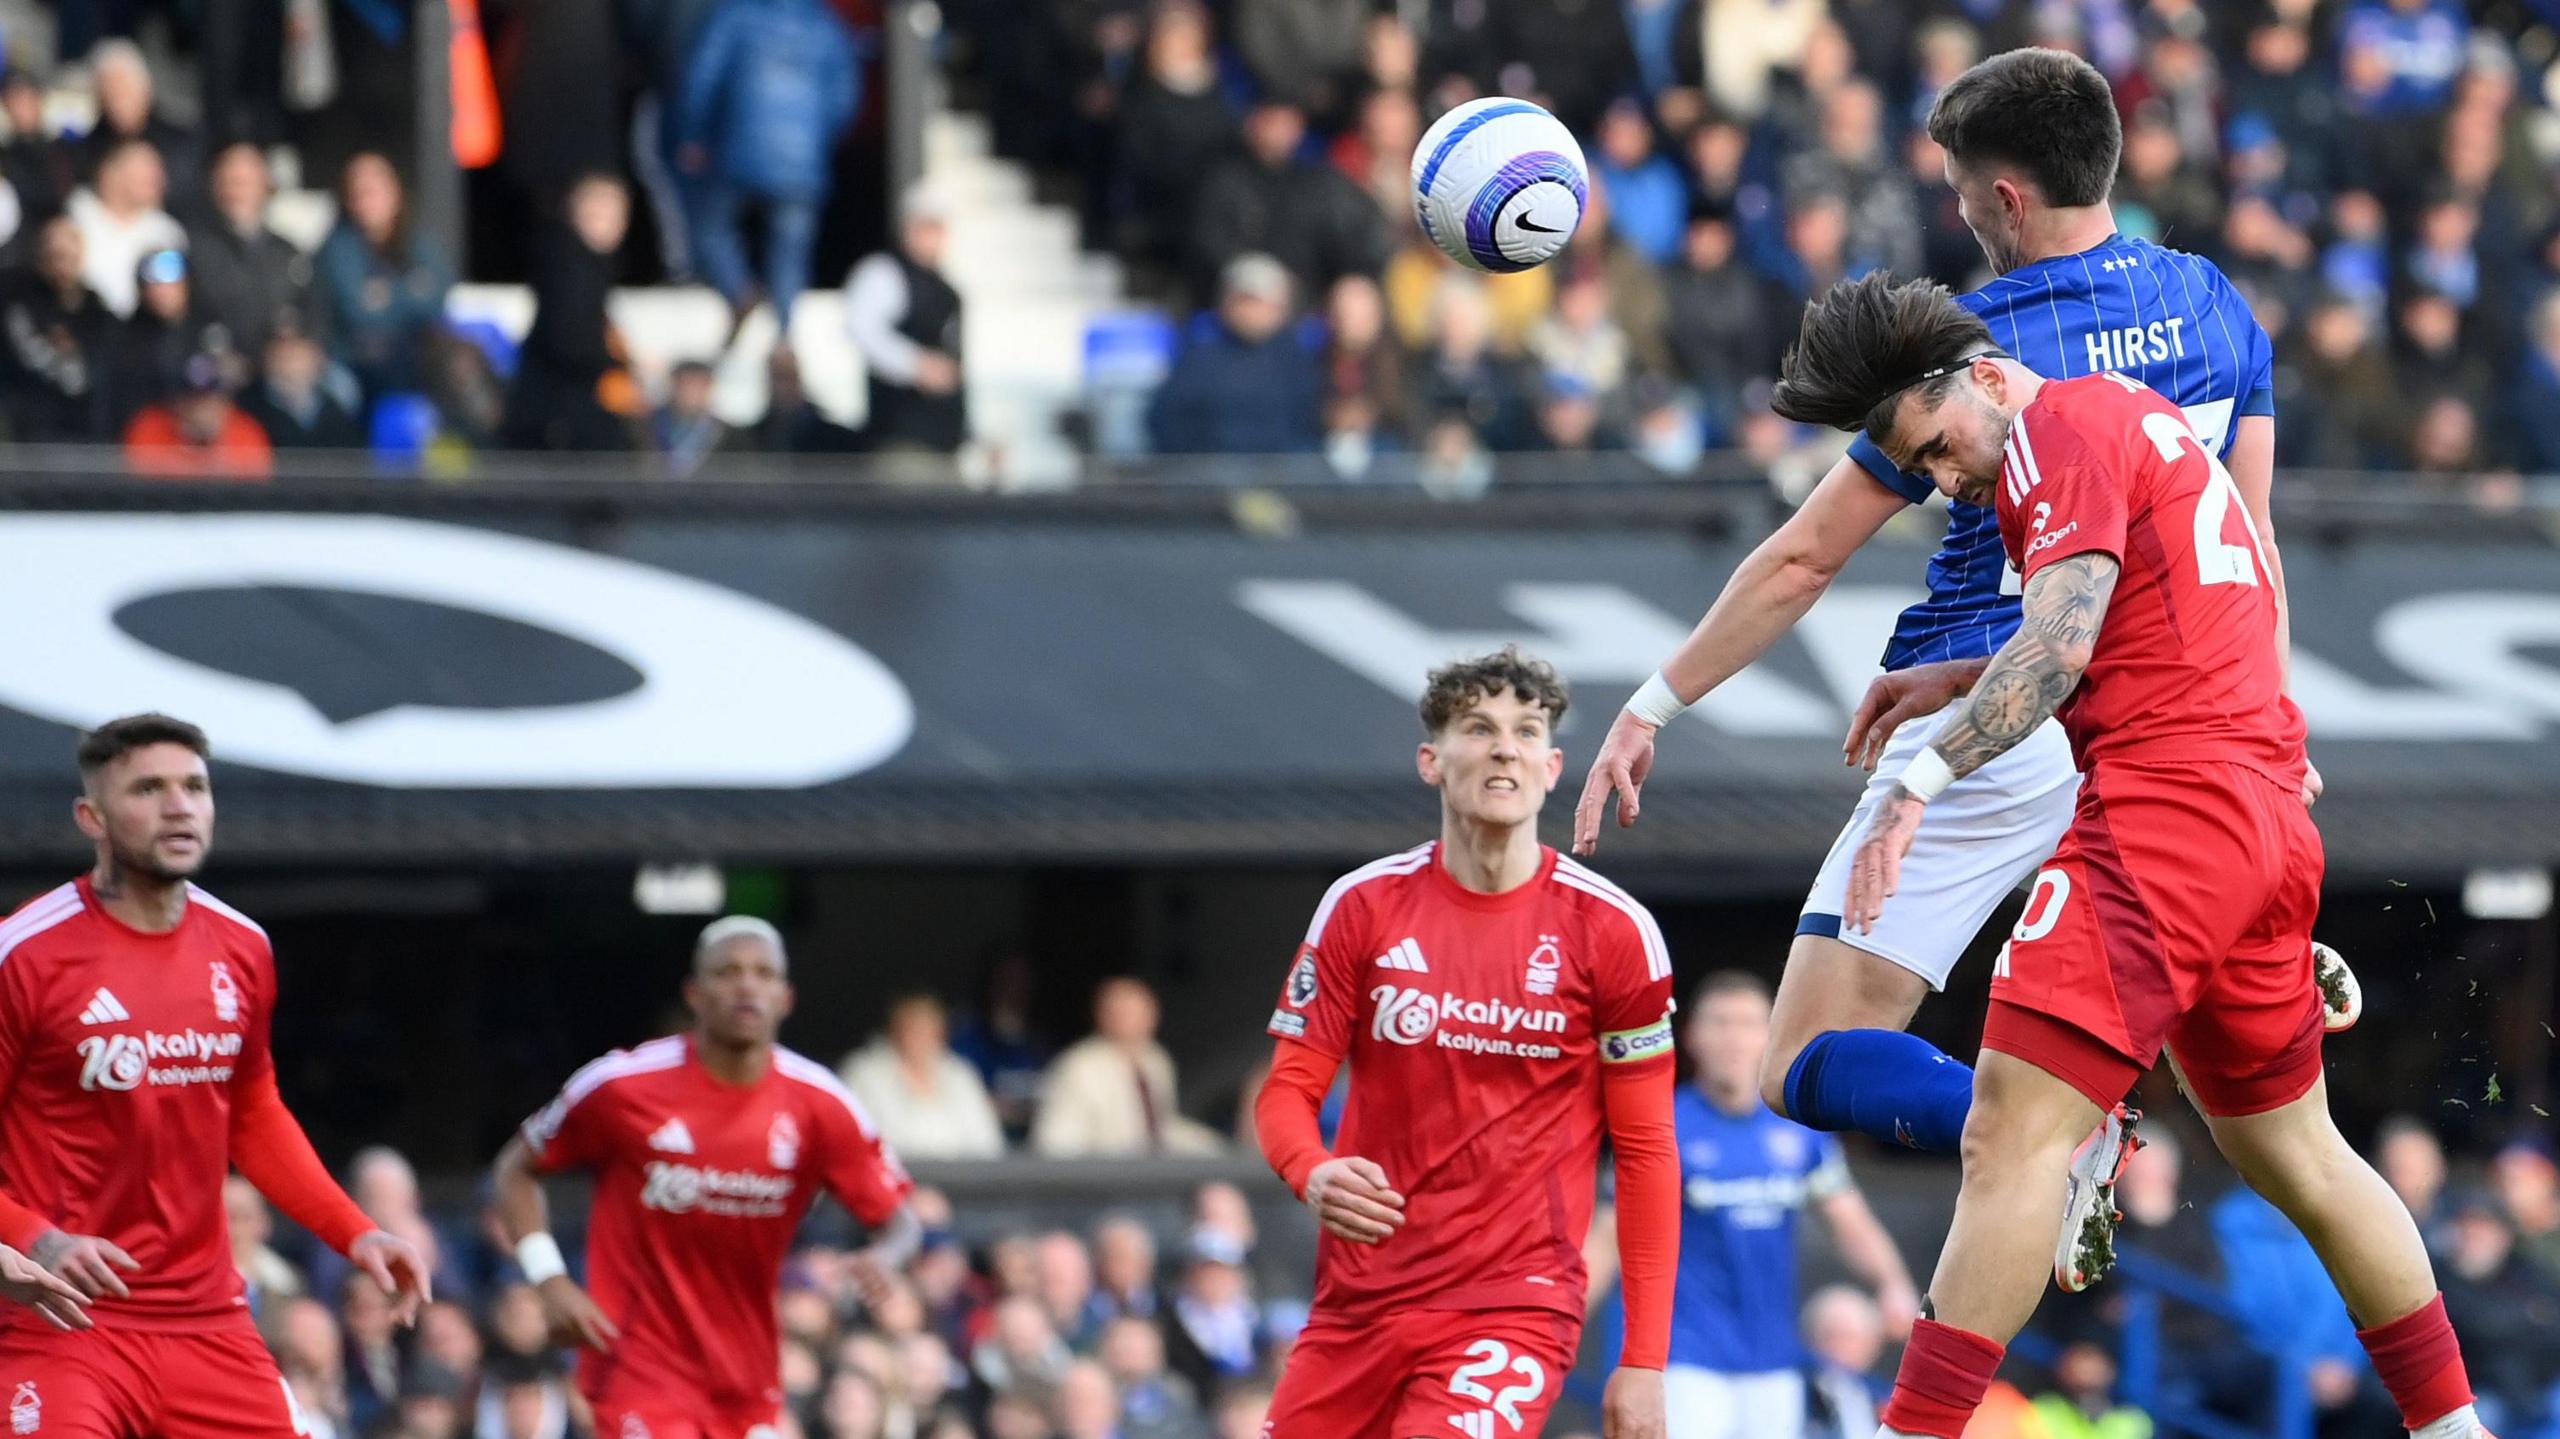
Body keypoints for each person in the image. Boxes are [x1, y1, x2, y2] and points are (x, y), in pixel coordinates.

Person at [1573, 46, 2353, 1196]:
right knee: (2255, 1105)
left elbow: (1802, 558)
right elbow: (2253, 540)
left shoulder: (1968, 355)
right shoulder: (2211, 300)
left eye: (1954, 187)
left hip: (1996, 711)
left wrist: (1653, 704)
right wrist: (2271, 726)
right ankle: (2246, 963)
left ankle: (2069, 1139)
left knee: (1801, 1056)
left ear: (2003, 197)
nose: (1954, 209)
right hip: (2166, 714)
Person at [1765, 269, 2489, 1439]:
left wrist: (1922, 778)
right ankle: (2456, 1427)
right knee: (2299, 1150)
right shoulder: (2138, 421)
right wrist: (1957, 676)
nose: (1944, 480)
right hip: (2261, 814)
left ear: (1989, 375)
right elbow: (2135, 628)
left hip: (2165, 816)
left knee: (2008, 1133)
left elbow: (2053, 654)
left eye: (1939, 448)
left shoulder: (2053, 433)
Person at [1252, 648, 1678, 1439]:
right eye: (1477, 727)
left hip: (1514, 1301)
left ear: (1552, 766)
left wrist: (1643, 1359)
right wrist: (1309, 1170)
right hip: (1357, 1305)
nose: (1503, 747)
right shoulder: (1361, 907)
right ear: (1431, 759)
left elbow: (1648, 1149)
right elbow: (1286, 1091)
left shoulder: (1613, 932)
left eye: (1525, 731)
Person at [0, 713, 430, 1434]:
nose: (179, 805)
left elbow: (253, 1112)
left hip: (210, 1323)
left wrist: (355, 1231)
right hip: (62, 1318)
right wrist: (32, 1236)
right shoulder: (25, 955)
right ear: (92, 816)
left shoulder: (241, 945)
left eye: (195, 786)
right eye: (149, 788)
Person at [490, 915, 924, 1439]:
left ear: (786, 998)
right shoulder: (622, 1087)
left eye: (764, 974)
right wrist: (549, 1279)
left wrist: (886, 1256)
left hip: (746, 1374)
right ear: (695, 994)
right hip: (638, 1365)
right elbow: (516, 1169)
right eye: (729, 972)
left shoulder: (821, 1104)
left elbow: (902, 1223)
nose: (747, 985)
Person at [1598, 972, 1915, 1439]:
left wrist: (1894, 1284)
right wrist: (1556, 1325)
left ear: (1770, 1033)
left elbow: (1851, 1223)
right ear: (1692, 1036)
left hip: (1773, 1364)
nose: (1733, 1038)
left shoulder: (1800, 1127)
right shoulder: (1661, 1126)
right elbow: (1608, 1237)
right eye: (1719, 1023)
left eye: (1748, 1023)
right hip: (1684, 1363)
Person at [675, 0, 862, 339]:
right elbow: (845, 95)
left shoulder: (735, 15)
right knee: (790, 251)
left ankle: (739, 291)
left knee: (709, 224)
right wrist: (817, 140)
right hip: (802, 162)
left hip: (738, 151)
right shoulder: (823, 23)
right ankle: (784, 336)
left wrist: (694, 134)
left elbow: (703, 75)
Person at [1146, 252, 1321, 458]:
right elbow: (1167, 421)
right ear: (1226, 303)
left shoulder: (1298, 359)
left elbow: (1308, 426)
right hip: (1209, 477)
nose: (1253, 311)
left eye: (1261, 302)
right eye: (1245, 301)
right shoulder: (1199, 355)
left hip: (1281, 477)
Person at [314, 152, 453, 400]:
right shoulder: (337, 248)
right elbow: (359, 314)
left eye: (373, 191)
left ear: (395, 193)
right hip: (353, 359)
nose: (365, 200)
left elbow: (437, 300)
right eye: (358, 193)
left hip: (413, 355)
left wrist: (386, 294)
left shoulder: (418, 242)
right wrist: (410, 290)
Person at [1032, 977, 1222, 1156]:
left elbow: (1162, 1125)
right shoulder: (1078, 1067)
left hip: (1155, 1173)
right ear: (1103, 1016)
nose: (1138, 1021)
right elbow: (1056, 1143)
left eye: (1144, 1012)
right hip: (1102, 1177)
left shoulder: (1156, 1059)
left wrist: (1214, 1146)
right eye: (1126, 1012)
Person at [845, 189, 967, 456]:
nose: (935, 237)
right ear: (908, 228)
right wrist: (914, 364)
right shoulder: (884, 274)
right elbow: (862, 328)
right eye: (927, 227)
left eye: (939, 228)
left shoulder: (946, 290)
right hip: (902, 441)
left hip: (946, 445)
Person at [840, 993, 1006, 1160]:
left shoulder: (961, 1075)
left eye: (927, 1029)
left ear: (941, 1034)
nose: (919, 1038)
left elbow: (988, 1144)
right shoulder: (865, 1074)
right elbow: (853, 1142)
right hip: (890, 1179)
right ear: (894, 1031)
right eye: (911, 1029)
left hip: (960, 1180)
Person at [186, 142, 310, 360]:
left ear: (265, 184)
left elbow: (310, 314)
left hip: (277, 366)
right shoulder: (193, 249)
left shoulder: (287, 252)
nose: (236, 191)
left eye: (244, 182)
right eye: (229, 181)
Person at [122, 351, 274, 479]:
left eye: (212, 398)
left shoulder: (246, 432)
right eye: (194, 398)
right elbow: (137, 486)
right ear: (178, 401)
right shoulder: (150, 427)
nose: (203, 407)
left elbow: (256, 492)